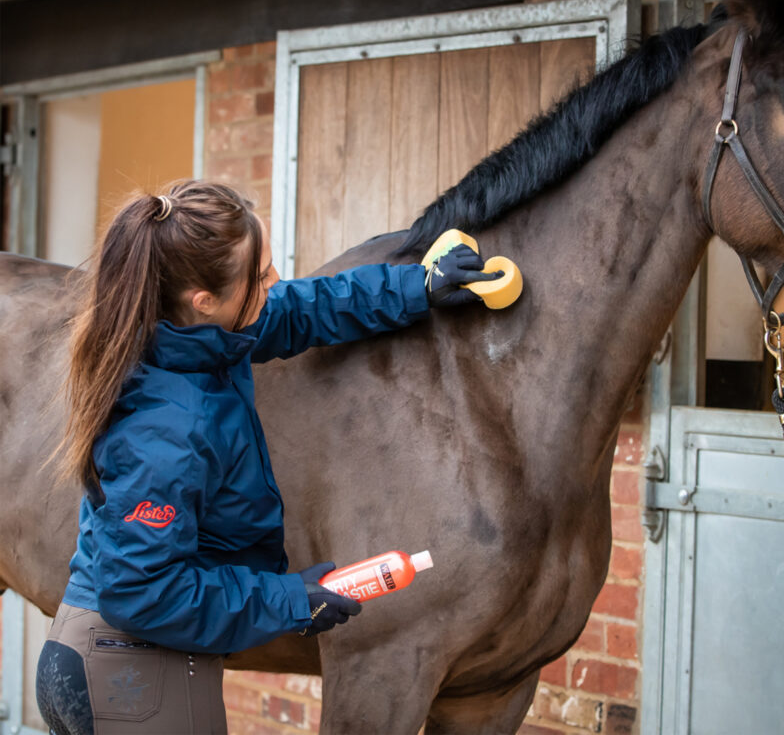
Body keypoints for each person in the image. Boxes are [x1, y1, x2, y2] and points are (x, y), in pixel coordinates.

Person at [35, 180, 500, 735]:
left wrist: (417, 287)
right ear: (204, 300)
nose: (273, 283)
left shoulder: (191, 336)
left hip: (110, 662)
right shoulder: (165, 427)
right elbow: (140, 591)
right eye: (259, 277)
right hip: (131, 673)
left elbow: (300, 307)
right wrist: (291, 599)